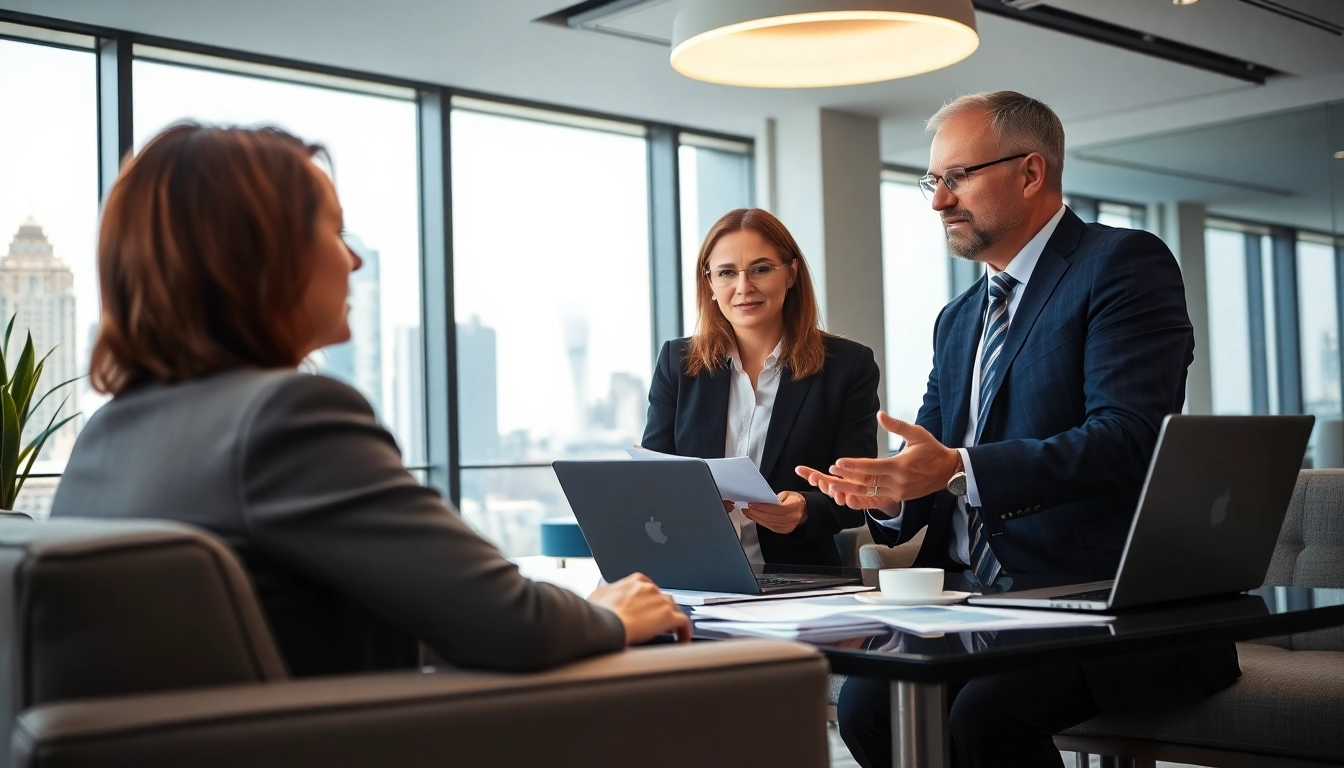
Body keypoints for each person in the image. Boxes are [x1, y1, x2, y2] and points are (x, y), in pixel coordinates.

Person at [50, 123, 690, 678]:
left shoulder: (106, 434)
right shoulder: (287, 417)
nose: (354, 259)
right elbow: (514, 623)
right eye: (333, 230)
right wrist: (607, 615)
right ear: (258, 259)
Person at [797, 92, 1240, 767]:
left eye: (958, 177)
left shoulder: (1121, 264)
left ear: (1031, 173)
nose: (939, 201)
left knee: (986, 714)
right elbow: (934, 458)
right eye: (932, 182)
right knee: (865, 703)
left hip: (1096, 596)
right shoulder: (958, 317)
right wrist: (888, 494)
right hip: (972, 604)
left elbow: (1128, 438)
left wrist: (955, 470)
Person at [642, 208, 880, 567]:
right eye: (726, 273)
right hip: (693, 572)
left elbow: (858, 495)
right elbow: (651, 483)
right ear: (710, 284)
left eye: (761, 269)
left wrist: (804, 509)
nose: (743, 288)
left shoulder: (847, 367)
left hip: (798, 579)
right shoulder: (678, 363)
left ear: (791, 273)